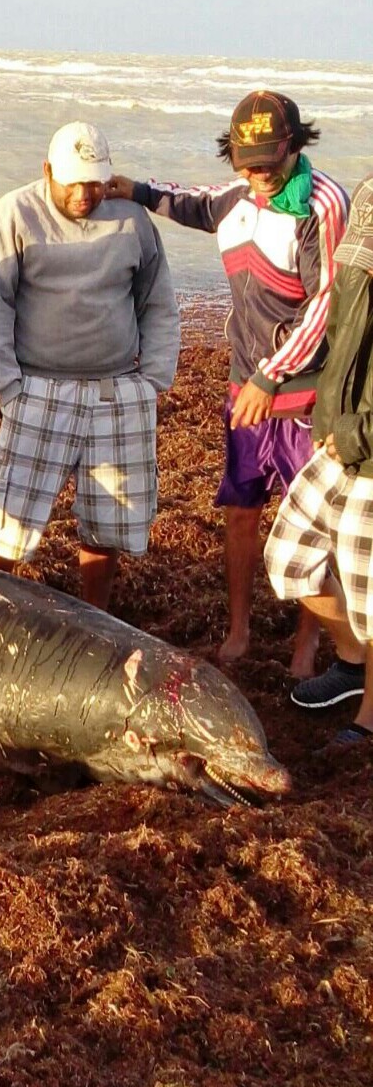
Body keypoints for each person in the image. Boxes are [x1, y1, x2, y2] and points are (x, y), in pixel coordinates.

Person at [106, 91, 349, 673]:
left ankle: (307, 643)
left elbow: (328, 304)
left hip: (306, 392)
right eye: (248, 161)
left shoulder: (322, 204)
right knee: (241, 507)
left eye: (269, 158)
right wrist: (131, 189)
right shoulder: (238, 195)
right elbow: (192, 201)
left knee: (312, 522)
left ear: (294, 144)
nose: (259, 173)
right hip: (248, 385)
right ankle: (240, 627)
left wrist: (273, 374)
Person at [0, 121, 180, 610]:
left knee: (107, 526)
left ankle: (96, 616)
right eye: (74, 181)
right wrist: (7, 387)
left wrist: (154, 380)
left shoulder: (132, 219)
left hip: (119, 388)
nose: (86, 193)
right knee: (6, 525)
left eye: (96, 181)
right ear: (47, 172)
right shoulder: (14, 214)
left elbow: (158, 301)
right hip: (38, 388)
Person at [265, 175, 373, 749]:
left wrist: (357, 432)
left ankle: (370, 719)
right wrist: (330, 414)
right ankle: (353, 660)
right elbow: (342, 315)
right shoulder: (368, 193)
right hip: (339, 432)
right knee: (289, 556)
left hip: (367, 446)